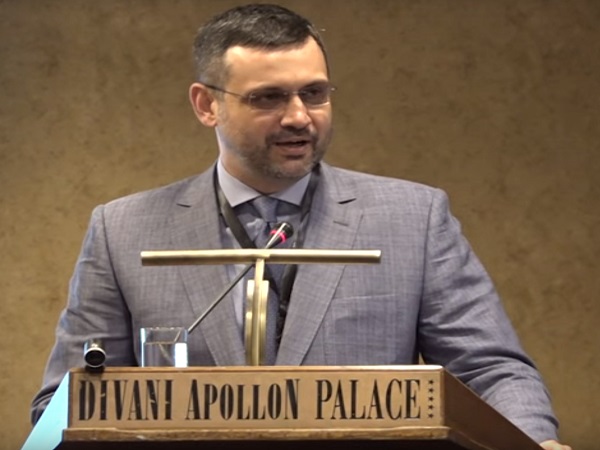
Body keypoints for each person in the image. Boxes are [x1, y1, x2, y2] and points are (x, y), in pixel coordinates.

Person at [31, 4, 570, 449]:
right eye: (267, 97)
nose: (298, 116)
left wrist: (535, 442)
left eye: (314, 93)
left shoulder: (415, 217)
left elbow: (489, 372)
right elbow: (65, 404)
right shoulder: (122, 229)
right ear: (206, 105)